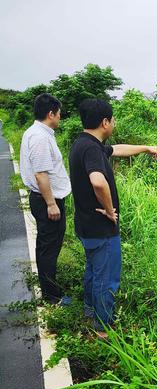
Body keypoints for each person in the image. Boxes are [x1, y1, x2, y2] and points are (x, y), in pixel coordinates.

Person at [69, 98, 157, 338]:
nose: (114, 123)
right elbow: (98, 181)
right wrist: (110, 211)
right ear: (105, 122)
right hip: (101, 227)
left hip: (86, 225)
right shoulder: (91, 149)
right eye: (113, 119)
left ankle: (90, 311)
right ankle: (102, 329)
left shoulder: (84, 143)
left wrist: (146, 148)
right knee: (106, 278)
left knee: (93, 270)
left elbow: (117, 149)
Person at [20, 93, 71, 305]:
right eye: (59, 114)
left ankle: (50, 289)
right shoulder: (40, 137)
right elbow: (41, 174)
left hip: (45, 199)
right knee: (48, 248)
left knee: (47, 246)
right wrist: (51, 203)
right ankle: (52, 297)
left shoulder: (38, 133)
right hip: (46, 200)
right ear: (51, 113)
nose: (60, 118)